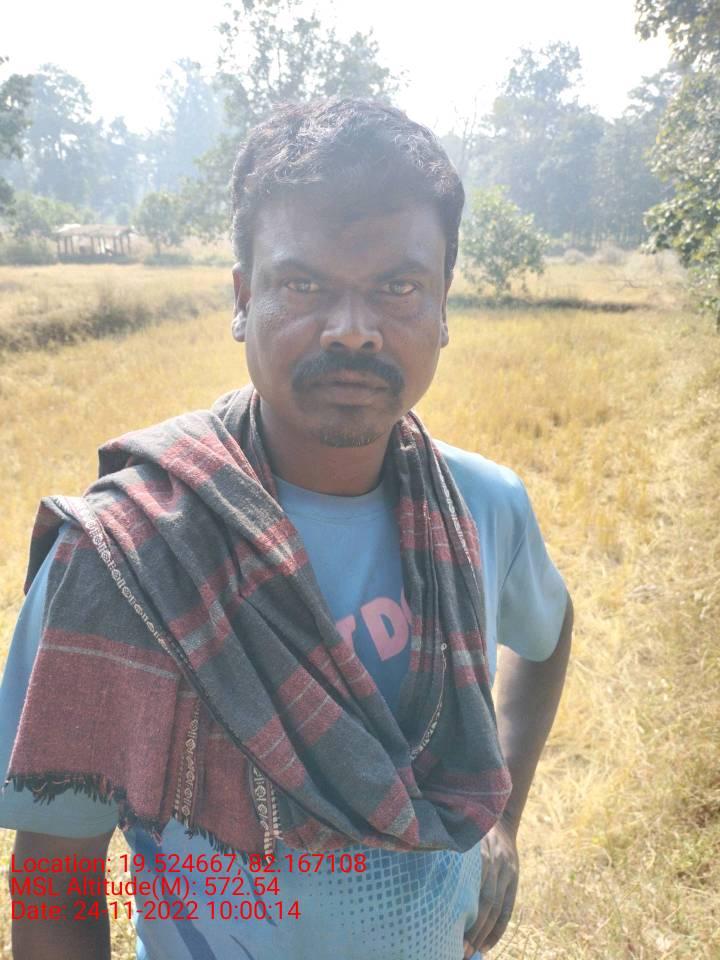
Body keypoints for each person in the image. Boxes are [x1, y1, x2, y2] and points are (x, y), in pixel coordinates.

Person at [0, 97, 572, 960]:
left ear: (444, 307)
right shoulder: (127, 554)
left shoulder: (484, 506)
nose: (353, 330)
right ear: (243, 298)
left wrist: (505, 821)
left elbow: (549, 635)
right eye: (304, 285)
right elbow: (53, 878)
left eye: (399, 287)